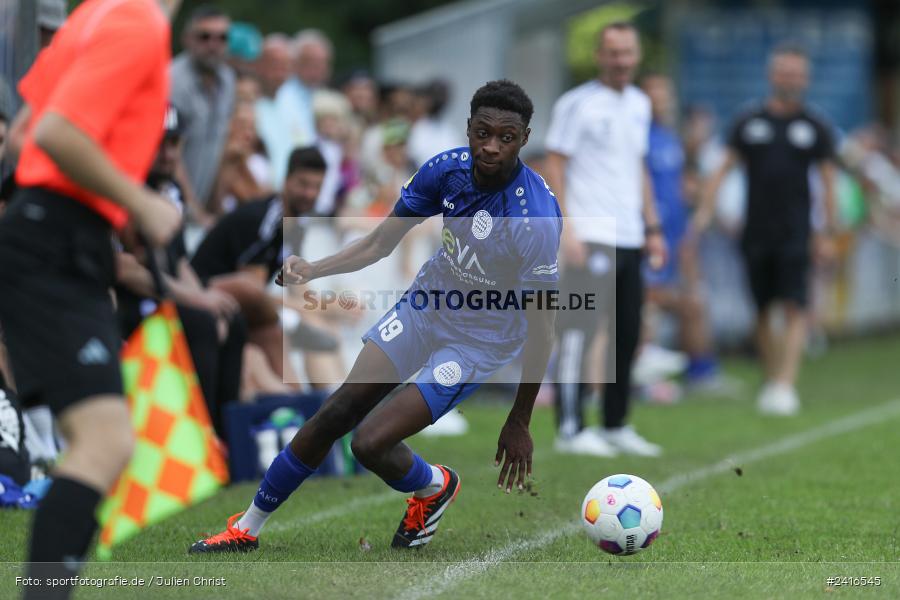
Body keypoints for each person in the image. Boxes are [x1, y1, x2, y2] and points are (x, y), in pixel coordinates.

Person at [188, 79, 560, 553]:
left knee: (368, 444)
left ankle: (431, 487)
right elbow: (379, 243)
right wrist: (313, 269)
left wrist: (520, 420)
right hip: (427, 307)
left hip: (479, 344)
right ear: (468, 128)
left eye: (505, 138)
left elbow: (544, 326)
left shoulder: (535, 219)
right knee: (338, 410)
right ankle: (245, 528)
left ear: (523, 140)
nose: (491, 146)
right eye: (482, 132)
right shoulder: (445, 170)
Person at [0, 1, 181, 598]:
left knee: (104, 440)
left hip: (45, 232)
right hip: (56, 240)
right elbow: (54, 135)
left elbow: (23, 132)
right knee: (105, 442)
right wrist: (141, 202)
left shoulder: (92, 14)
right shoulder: (139, 21)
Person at [692, 44, 838, 416]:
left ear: (804, 78)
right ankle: (773, 379)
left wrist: (827, 233)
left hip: (797, 232)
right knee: (760, 308)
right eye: (783, 72)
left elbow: (828, 180)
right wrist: (706, 210)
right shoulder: (748, 122)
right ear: (773, 75)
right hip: (755, 232)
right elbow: (723, 167)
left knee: (794, 305)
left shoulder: (814, 125)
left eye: (796, 73)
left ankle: (786, 383)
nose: (790, 79)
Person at [545, 22, 666, 457]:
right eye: (613, 53)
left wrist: (652, 229)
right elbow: (554, 163)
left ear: (637, 55)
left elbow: (638, 167)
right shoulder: (577, 103)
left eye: (627, 52)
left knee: (627, 334)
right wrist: (567, 226)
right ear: (600, 55)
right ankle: (572, 428)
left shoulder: (638, 103)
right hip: (590, 233)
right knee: (579, 330)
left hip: (630, 234)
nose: (621, 61)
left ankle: (616, 423)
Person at [115, 105, 246, 436]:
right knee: (199, 321)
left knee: (231, 316)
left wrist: (206, 298)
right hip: (122, 303)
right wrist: (198, 302)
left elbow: (180, 262)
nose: (168, 154)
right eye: (159, 143)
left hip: (163, 293)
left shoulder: (170, 191)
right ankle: (200, 437)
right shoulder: (123, 190)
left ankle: (225, 435)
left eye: (174, 143)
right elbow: (126, 271)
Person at [191, 147, 327, 383]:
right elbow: (252, 292)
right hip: (204, 293)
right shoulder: (262, 219)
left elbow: (300, 290)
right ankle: (313, 404)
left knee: (321, 319)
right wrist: (303, 311)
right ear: (286, 180)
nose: (309, 193)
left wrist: (332, 306)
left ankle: (328, 400)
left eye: (316, 187)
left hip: (240, 307)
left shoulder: (297, 226)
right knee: (290, 324)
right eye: (303, 184)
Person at [639, 73, 725, 392]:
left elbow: (677, 185)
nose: (660, 101)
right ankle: (643, 378)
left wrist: (695, 205)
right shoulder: (636, 136)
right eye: (653, 95)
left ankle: (701, 373)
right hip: (649, 237)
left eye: (665, 95)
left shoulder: (668, 138)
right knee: (646, 302)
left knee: (692, 303)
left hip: (675, 238)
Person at [169, 4, 236, 221]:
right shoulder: (173, 81)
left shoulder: (227, 80)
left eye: (221, 37)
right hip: (169, 205)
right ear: (187, 39)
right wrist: (196, 213)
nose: (213, 45)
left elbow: (219, 148)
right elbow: (172, 154)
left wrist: (216, 210)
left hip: (200, 204)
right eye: (205, 37)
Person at [254, 34, 316, 189]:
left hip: (295, 194)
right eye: (274, 64)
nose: (280, 71)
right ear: (259, 65)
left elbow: (307, 144)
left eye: (286, 65)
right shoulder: (248, 102)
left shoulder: (297, 101)